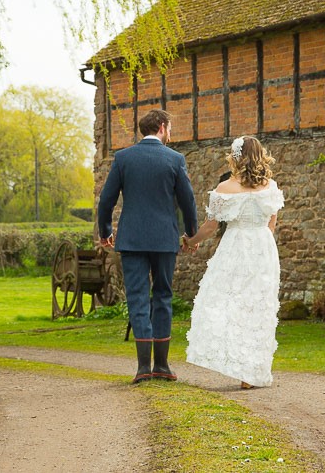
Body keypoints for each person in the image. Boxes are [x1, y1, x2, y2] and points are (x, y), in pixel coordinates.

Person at [97, 109, 198, 383]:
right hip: (164, 240)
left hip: (132, 239)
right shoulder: (175, 159)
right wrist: (191, 233)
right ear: (163, 127)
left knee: (138, 298)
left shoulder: (123, 158)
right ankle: (162, 366)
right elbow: (188, 201)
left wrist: (105, 231)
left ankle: (143, 368)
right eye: (171, 127)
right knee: (163, 296)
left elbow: (106, 200)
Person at [182, 136, 284, 389]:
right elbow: (271, 226)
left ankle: (241, 365)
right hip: (263, 248)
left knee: (227, 302)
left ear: (235, 157)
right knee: (257, 307)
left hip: (237, 246)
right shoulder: (271, 187)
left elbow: (211, 226)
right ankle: (251, 371)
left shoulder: (226, 188)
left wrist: (191, 240)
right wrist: (259, 246)